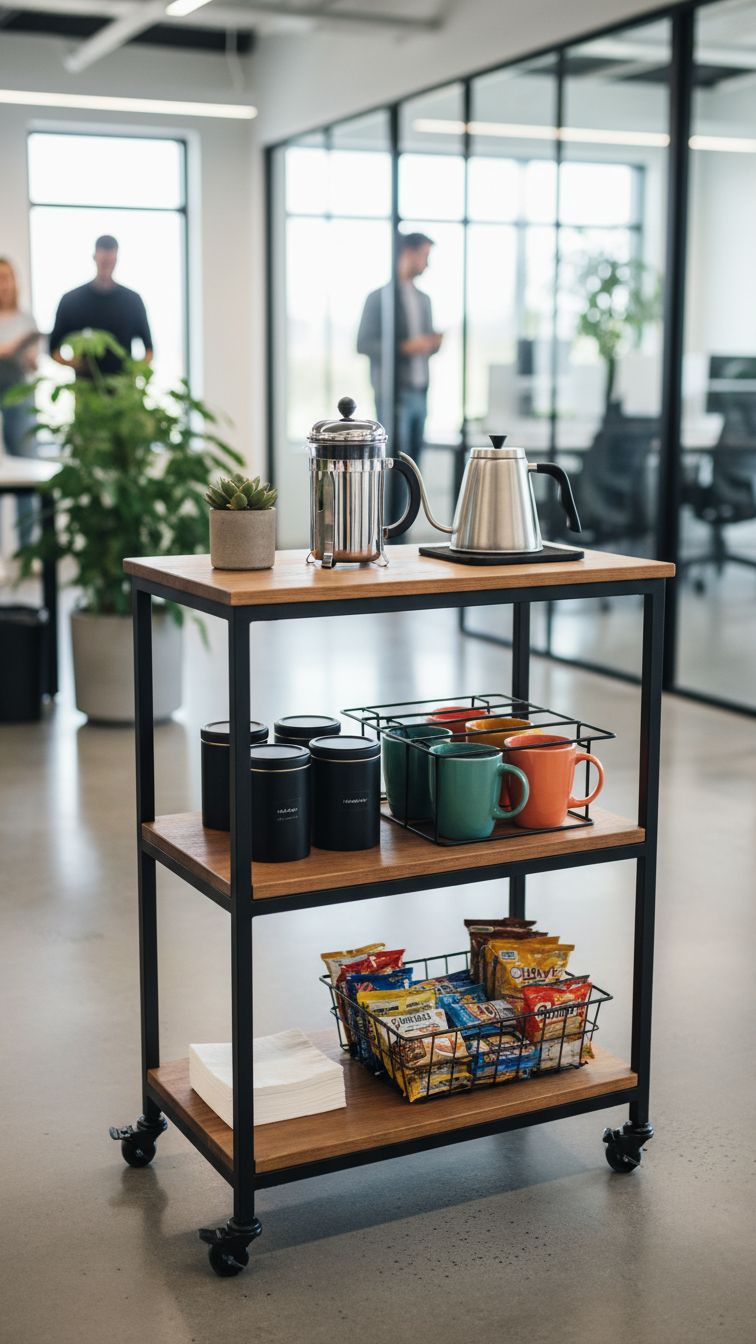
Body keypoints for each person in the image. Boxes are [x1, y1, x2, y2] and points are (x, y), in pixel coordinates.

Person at [357, 231, 443, 465]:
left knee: (415, 463)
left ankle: (413, 504)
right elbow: (363, 344)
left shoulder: (424, 299)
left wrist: (432, 344)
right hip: (394, 393)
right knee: (394, 463)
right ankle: (393, 505)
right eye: (424, 255)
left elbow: (423, 348)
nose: (427, 263)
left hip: (420, 392)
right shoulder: (379, 298)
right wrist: (405, 347)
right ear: (408, 253)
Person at [49, 235, 153, 376]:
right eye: (104, 261)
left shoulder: (133, 301)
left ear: (116, 259)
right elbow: (53, 350)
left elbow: (149, 351)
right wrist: (77, 364)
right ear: (94, 257)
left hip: (123, 388)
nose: (107, 266)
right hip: (85, 389)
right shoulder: (71, 301)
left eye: (110, 261)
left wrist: (134, 373)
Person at [0, 257, 40, 547]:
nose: (4, 285)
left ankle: (29, 549)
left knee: (27, 473)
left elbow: (34, 363)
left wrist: (24, 354)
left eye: (7, 278)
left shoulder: (27, 320)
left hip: (20, 398)